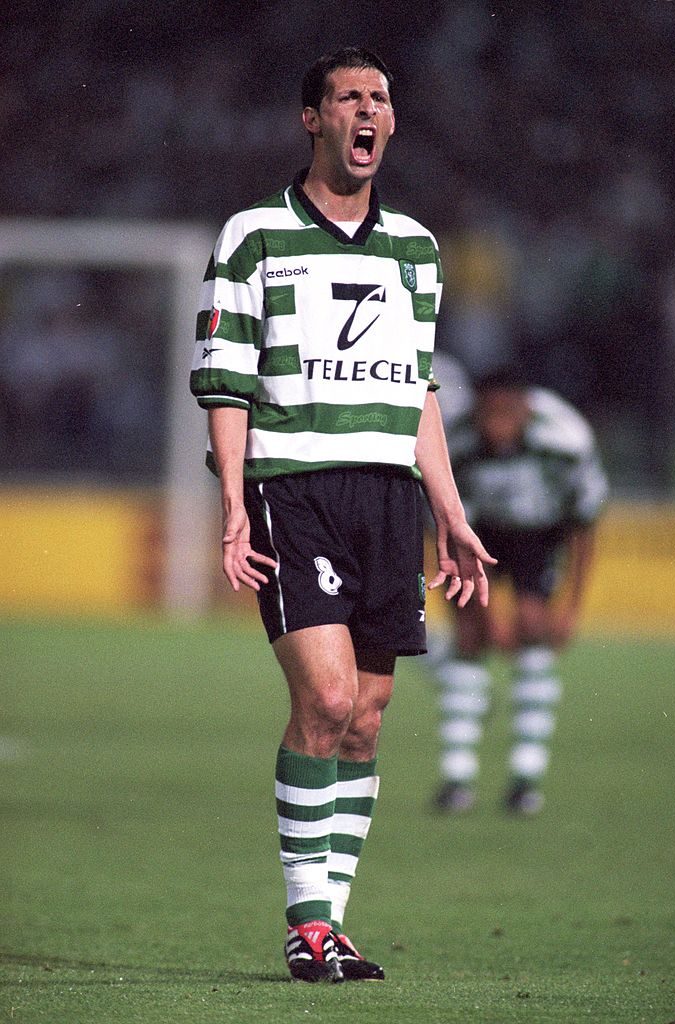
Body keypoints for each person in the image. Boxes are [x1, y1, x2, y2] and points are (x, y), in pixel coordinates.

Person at [190, 47, 496, 983]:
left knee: (364, 718)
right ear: (312, 118)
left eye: (380, 99)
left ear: (391, 122)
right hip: (294, 488)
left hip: (386, 495)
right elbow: (225, 381)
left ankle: (331, 926)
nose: (367, 112)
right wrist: (234, 503)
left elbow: (417, 392)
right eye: (348, 98)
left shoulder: (415, 248)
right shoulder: (254, 235)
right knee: (324, 700)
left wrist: (449, 511)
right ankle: (306, 921)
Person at [429, 367, 608, 815]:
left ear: (526, 407)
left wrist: (570, 608)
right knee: (470, 635)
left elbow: (584, 524)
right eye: (489, 414)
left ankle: (526, 776)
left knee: (532, 625)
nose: (497, 426)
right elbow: (440, 523)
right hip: (479, 534)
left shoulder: (566, 440)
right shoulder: (457, 442)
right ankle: (457, 777)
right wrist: (483, 613)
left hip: (540, 532)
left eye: (507, 414)